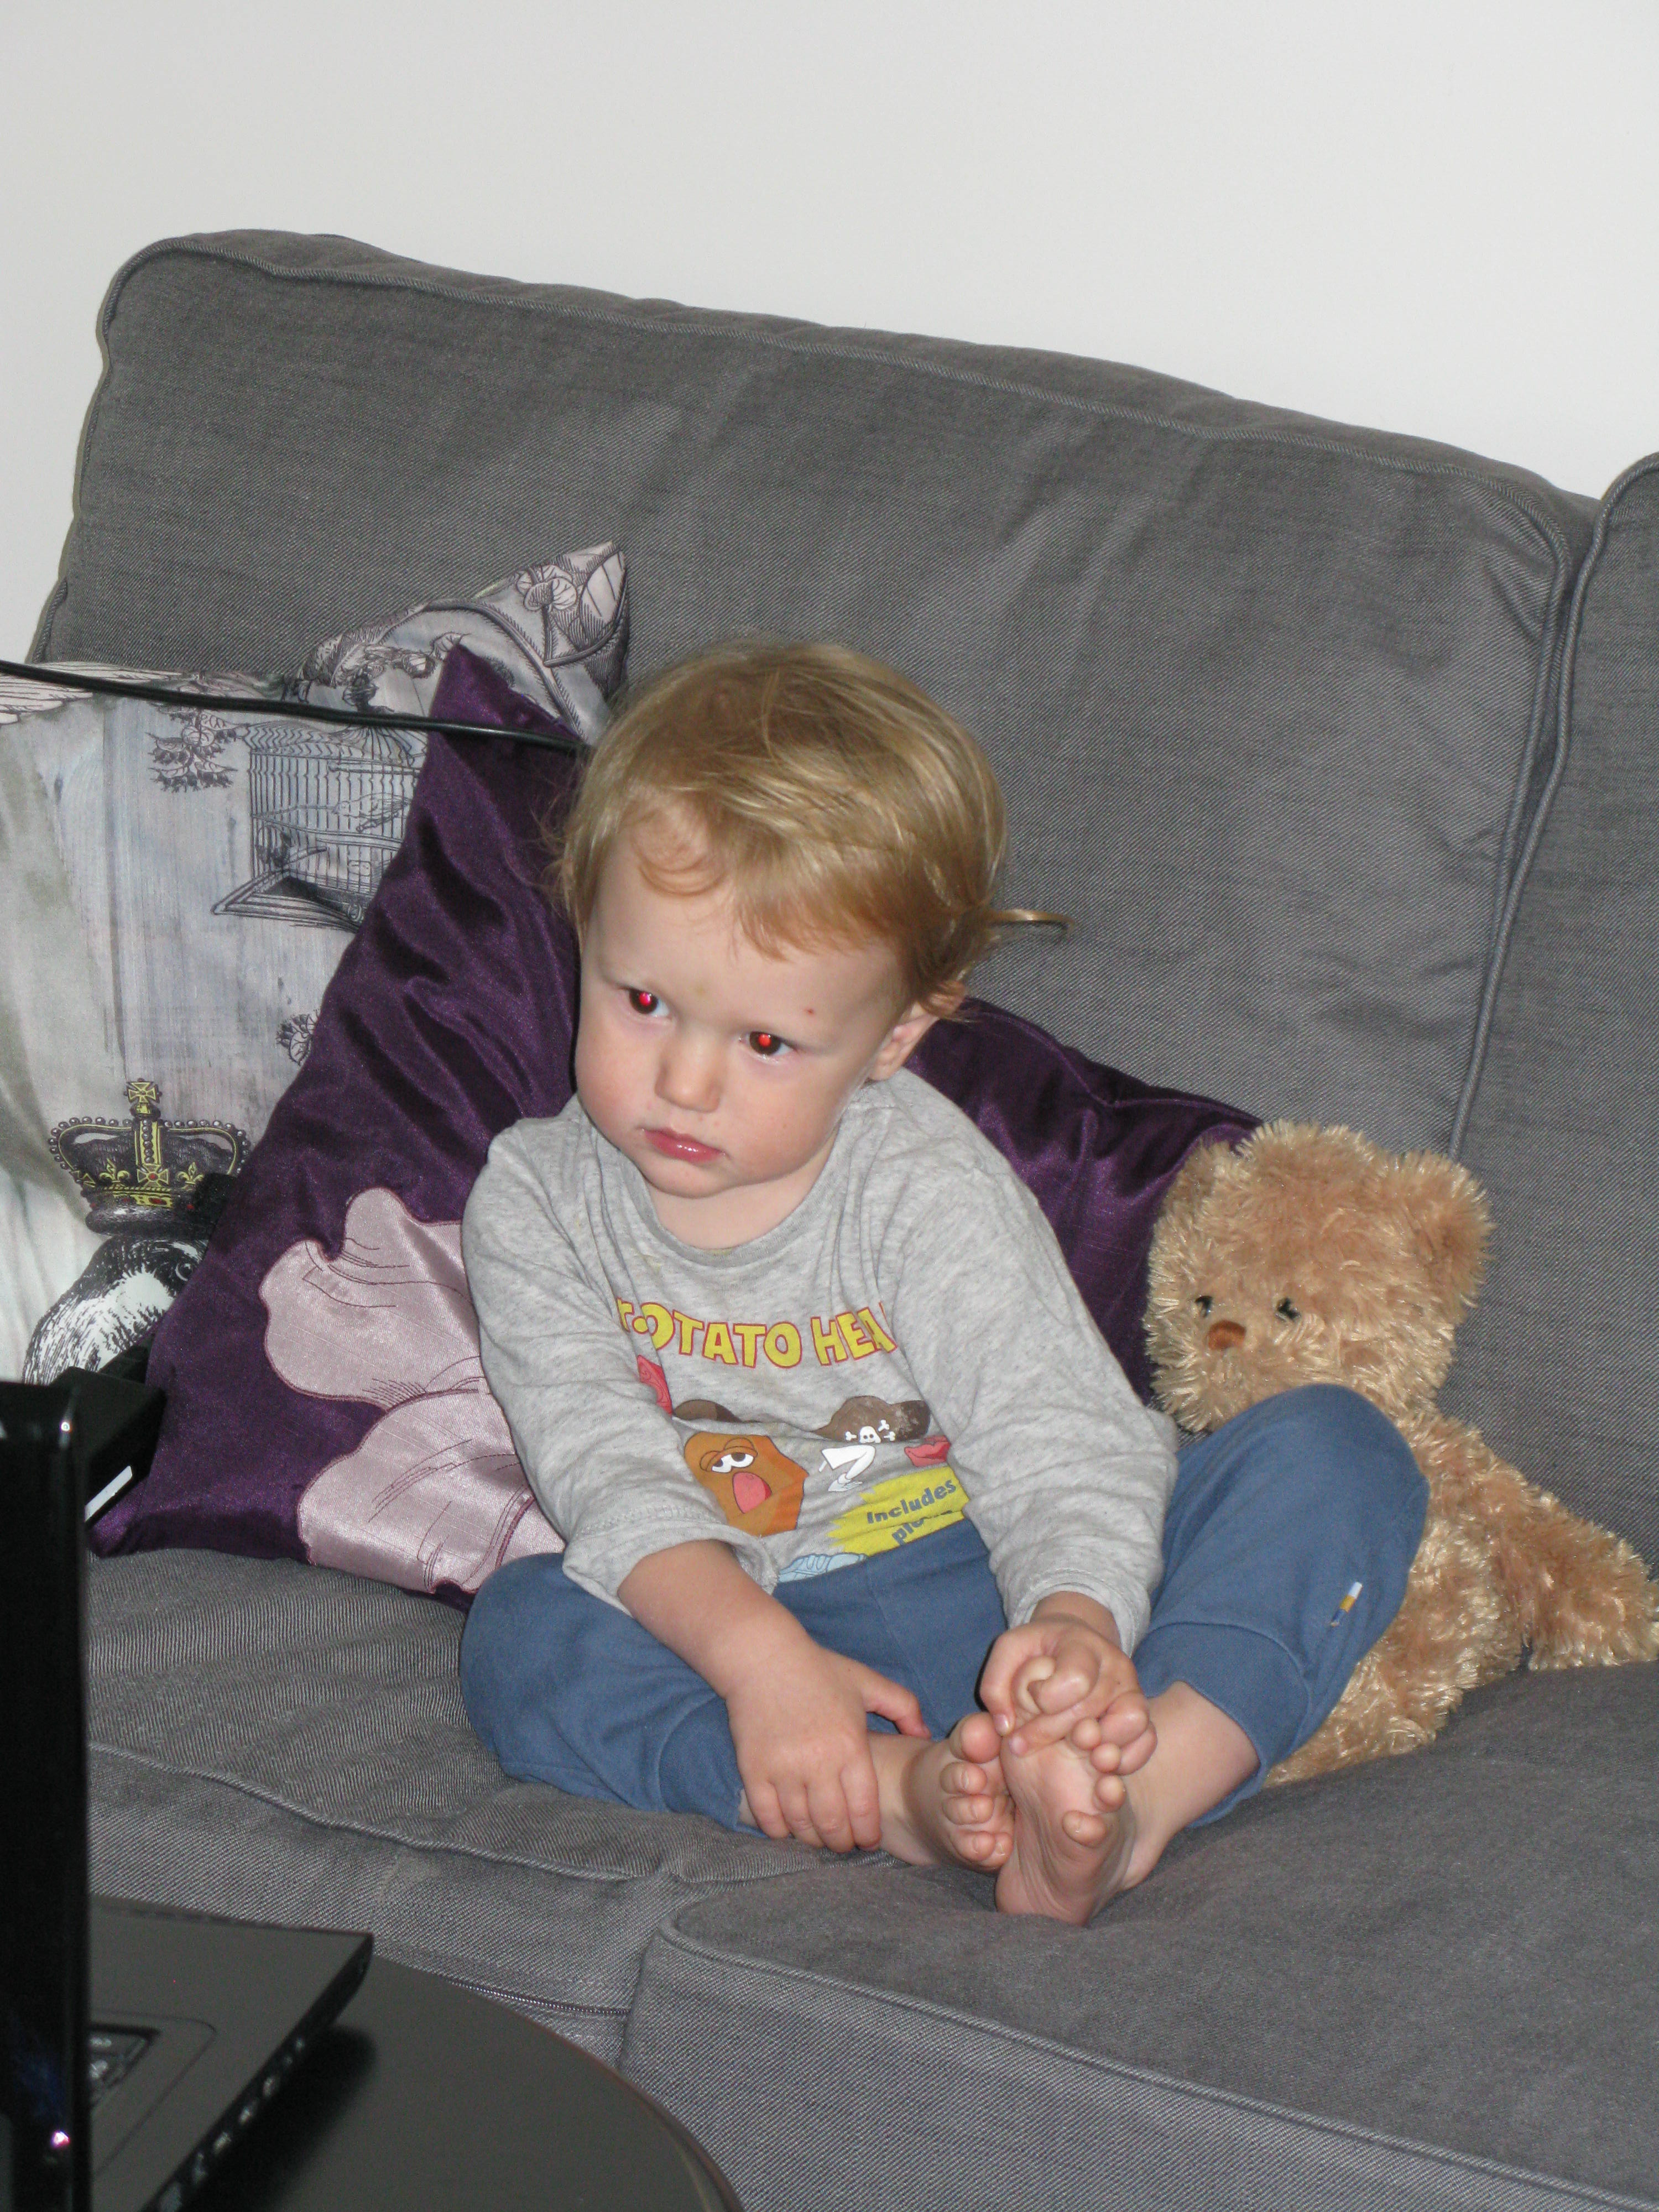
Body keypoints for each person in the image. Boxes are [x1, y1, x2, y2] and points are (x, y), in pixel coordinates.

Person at [458, 643, 1425, 1924]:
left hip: (998, 1557)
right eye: (642, 998)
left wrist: (1074, 1625)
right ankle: (907, 1797)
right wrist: (762, 1662)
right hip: (754, 1613)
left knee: (1341, 1449)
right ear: (584, 930)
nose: (685, 1082)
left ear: (896, 1034)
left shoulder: (917, 1179)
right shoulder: (533, 1199)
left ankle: (1139, 1793)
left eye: (764, 1038)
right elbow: (607, 1474)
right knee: (521, 1635)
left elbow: (1054, 1429)